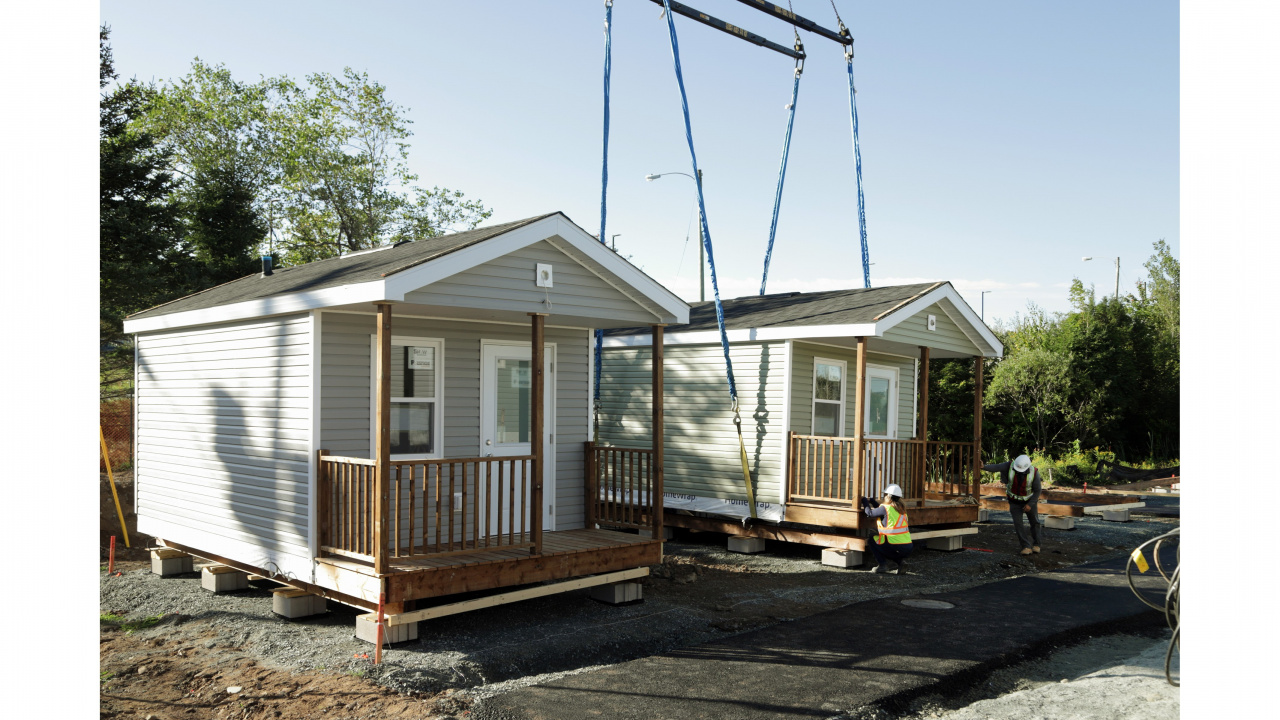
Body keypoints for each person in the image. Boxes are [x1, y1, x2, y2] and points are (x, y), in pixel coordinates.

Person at [983, 454, 1042, 555]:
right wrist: (983, 467)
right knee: (1018, 524)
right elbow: (996, 467)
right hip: (1014, 501)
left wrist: (1030, 504)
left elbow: (1037, 490)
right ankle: (1026, 546)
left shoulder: (1034, 473)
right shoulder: (1010, 465)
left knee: (1035, 522)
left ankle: (1037, 544)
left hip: (1028, 500)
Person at [859, 484, 913, 574]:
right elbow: (881, 510)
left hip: (895, 546)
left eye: (886, 495)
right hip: (907, 547)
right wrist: (873, 501)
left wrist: (864, 501)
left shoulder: (886, 508)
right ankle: (901, 563)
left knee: (872, 540)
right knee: (888, 546)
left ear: (889, 496)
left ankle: (882, 565)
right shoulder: (901, 509)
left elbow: (869, 513)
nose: (885, 497)